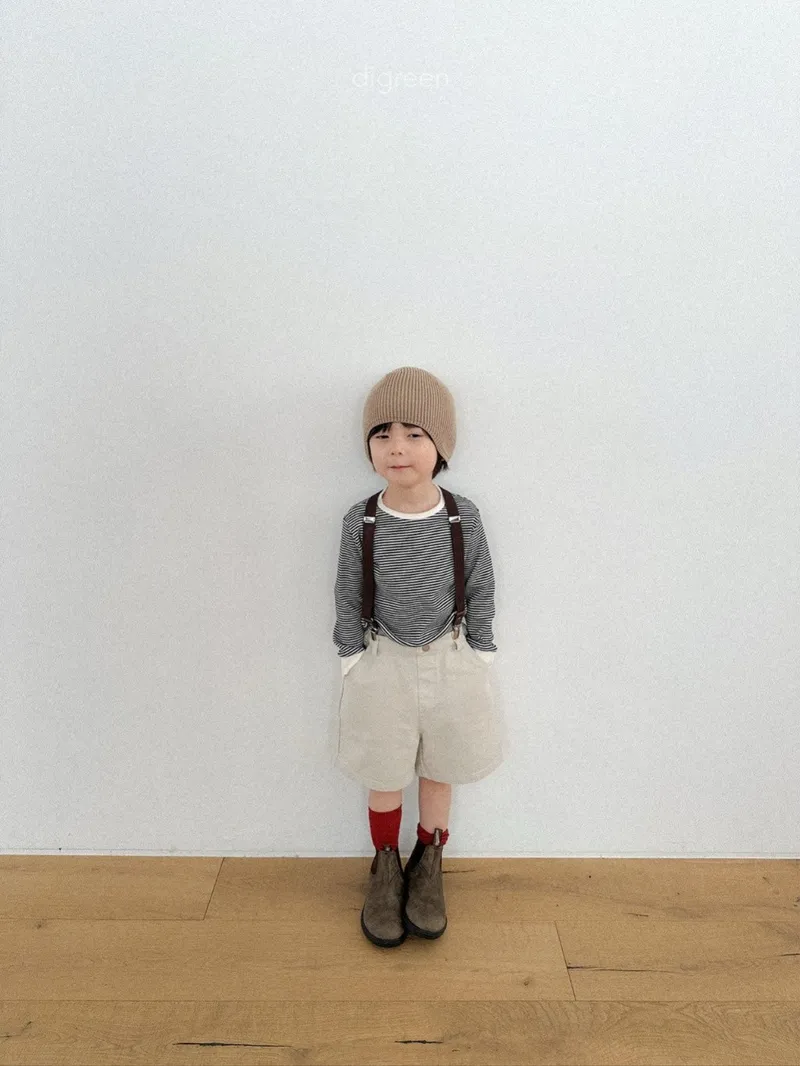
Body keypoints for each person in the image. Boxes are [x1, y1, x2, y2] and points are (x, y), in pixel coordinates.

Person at [332, 366, 506, 948]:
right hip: (381, 661)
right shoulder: (362, 518)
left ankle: (427, 866)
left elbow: (480, 585)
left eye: (414, 434)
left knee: (439, 769)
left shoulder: (462, 515)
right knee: (384, 772)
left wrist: (480, 650)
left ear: (440, 446)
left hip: (451, 658)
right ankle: (385, 868)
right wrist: (351, 656)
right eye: (382, 435)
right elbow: (348, 590)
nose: (397, 448)